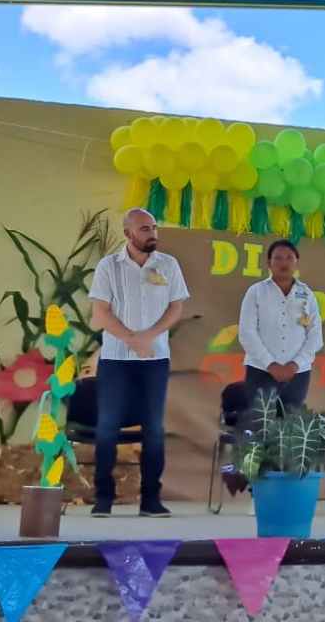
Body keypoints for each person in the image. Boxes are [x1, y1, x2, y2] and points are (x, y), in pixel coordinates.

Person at [88, 208, 189, 518]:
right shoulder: (109, 266)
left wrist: (149, 336)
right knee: (107, 427)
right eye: (145, 228)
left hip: (154, 359)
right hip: (116, 359)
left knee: (154, 429)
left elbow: (176, 308)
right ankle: (103, 498)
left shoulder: (168, 264)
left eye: (154, 227)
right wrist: (132, 339)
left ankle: (151, 500)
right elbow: (100, 313)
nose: (152, 233)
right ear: (128, 233)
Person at [238, 239, 323, 412]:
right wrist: (271, 365)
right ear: (269, 263)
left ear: (297, 263)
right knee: (260, 421)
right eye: (278, 258)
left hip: (298, 373)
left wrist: (295, 365)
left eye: (289, 258)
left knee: (290, 424)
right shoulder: (256, 292)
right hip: (261, 370)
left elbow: (315, 335)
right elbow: (247, 333)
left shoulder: (307, 294)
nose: (284, 263)